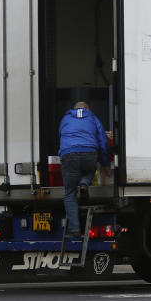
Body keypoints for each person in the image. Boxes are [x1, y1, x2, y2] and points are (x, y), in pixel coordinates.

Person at [58, 102, 109, 238]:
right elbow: (103, 141)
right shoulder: (93, 118)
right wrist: (105, 163)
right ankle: (85, 183)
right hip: (89, 154)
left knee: (69, 194)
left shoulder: (65, 119)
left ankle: (74, 230)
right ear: (87, 109)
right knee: (90, 170)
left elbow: (61, 136)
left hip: (69, 155)